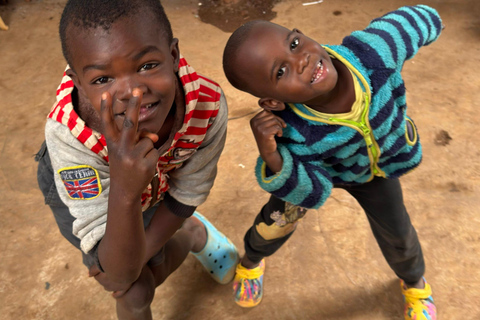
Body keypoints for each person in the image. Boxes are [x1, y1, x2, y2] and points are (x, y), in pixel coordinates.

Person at [222, 5, 442, 319]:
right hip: (321, 171)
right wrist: (271, 155)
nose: (303, 60)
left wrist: (432, 22)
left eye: (294, 44)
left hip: (375, 173)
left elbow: (406, 24)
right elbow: (311, 189)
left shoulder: (371, 55)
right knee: (275, 222)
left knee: (398, 232)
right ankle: (251, 260)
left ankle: (414, 283)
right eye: (281, 72)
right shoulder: (291, 130)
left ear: (300, 33)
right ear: (272, 102)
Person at [35, 0, 239, 319]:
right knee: (134, 292)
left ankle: (191, 234)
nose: (133, 93)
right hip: (97, 189)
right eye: (103, 79)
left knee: (134, 274)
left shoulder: (208, 108)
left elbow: (187, 191)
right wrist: (126, 191)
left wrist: (141, 253)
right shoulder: (70, 137)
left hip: (160, 182)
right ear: (78, 82)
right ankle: (190, 233)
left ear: (172, 56)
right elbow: (119, 272)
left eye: (146, 65)